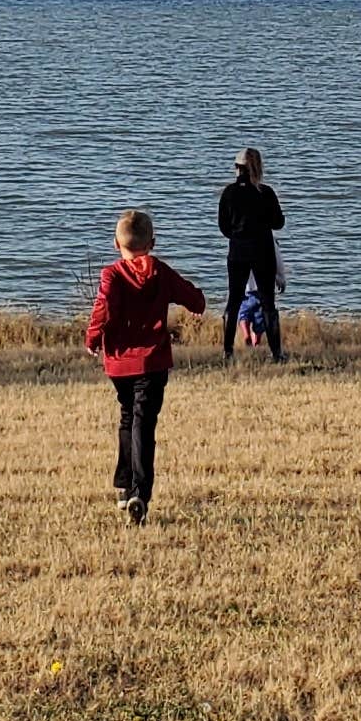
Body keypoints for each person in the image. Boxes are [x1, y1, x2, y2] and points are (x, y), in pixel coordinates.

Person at [84, 208, 205, 524]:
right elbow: (192, 297)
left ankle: (123, 487)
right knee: (143, 423)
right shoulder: (160, 272)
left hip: (119, 364)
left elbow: (103, 308)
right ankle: (140, 491)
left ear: (115, 244)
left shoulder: (111, 275)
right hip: (152, 361)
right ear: (152, 242)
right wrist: (199, 302)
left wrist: (93, 338)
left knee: (128, 417)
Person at [216, 148, 286, 363]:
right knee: (267, 303)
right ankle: (276, 353)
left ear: (237, 168)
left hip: (238, 250)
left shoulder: (228, 193)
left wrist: (238, 235)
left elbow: (223, 226)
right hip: (262, 250)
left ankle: (228, 351)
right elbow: (278, 222)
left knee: (234, 300)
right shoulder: (265, 192)